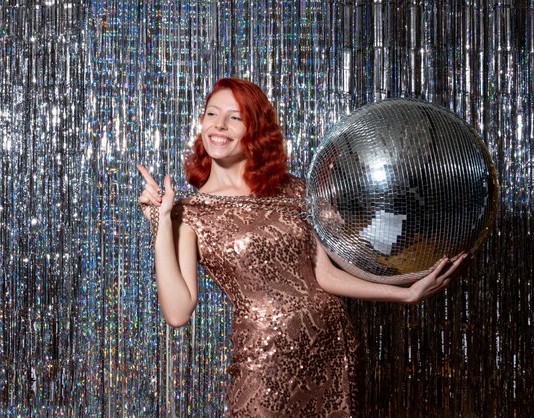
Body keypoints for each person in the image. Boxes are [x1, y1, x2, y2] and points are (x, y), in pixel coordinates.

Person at [137, 78, 467, 417]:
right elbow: (177, 313)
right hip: (265, 359)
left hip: (331, 347)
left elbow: (324, 274)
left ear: (256, 128)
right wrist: (161, 222)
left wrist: (406, 292)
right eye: (212, 114)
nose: (219, 125)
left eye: (235, 117)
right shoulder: (189, 212)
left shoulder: (296, 191)